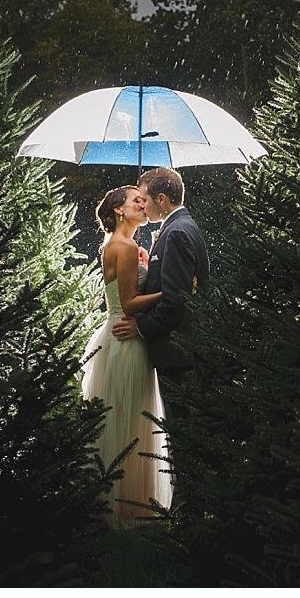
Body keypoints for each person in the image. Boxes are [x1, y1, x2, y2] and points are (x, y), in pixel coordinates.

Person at [80, 185, 172, 528]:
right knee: (134, 418)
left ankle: (109, 500)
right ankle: (133, 508)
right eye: (136, 201)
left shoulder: (116, 245)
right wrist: (169, 292)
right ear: (120, 209)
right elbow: (131, 304)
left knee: (118, 417)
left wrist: (143, 267)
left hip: (111, 334)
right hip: (127, 337)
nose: (144, 205)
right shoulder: (127, 246)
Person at [112, 167, 209, 421]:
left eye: (144, 199)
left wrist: (141, 327)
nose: (143, 206)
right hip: (181, 351)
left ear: (162, 199)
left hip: (177, 354)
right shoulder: (183, 226)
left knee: (183, 432)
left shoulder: (176, 232)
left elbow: (175, 299)